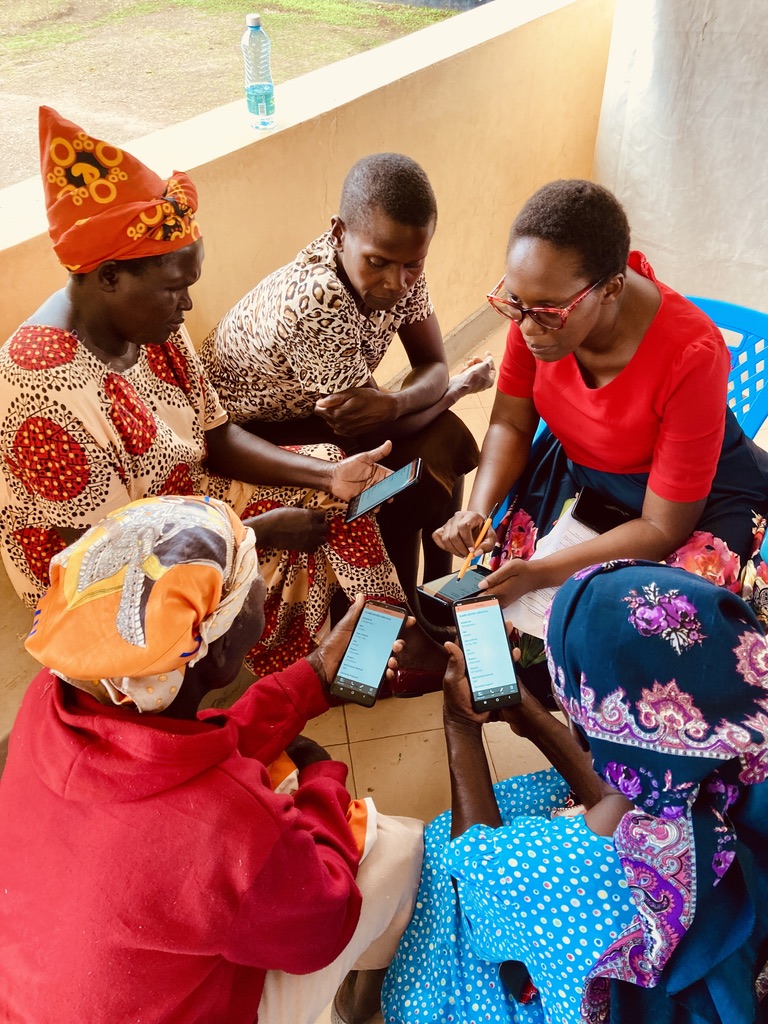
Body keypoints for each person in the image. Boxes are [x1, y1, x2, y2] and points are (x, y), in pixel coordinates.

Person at [0, 106, 445, 688]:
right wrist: (253, 535)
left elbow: (216, 434)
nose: (188, 307)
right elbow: (101, 566)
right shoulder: (40, 385)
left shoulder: (150, 324)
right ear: (108, 276)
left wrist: (321, 479)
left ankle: (373, 650)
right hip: (116, 577)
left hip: (191, 505)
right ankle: (312, 673)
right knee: (304, 519)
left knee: (340, 480)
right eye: (174, 289)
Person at [0, 494, 424, 1024]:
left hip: (41, 994)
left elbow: (168, 753)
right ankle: (355, 1009)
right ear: (218, 652)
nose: (262, 587)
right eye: (252, 585)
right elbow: (321, 924)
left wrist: (310, 679)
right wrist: (323, 780)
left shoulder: (57, 696)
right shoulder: (226, 820)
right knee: (399, 846)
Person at [382, 560, 768, 1023]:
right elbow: (619, 800)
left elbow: (476, 867)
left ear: (588, 727)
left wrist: (460, 725)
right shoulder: (742, 762)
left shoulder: (563, 868)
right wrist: (530, 717)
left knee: (441, 860)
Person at [434, 179, 768, 621]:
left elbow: (662, 526)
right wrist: (477, 512)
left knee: (650, 630)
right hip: (583, 469)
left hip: (689, 501)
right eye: (515, 303)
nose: (526, 328)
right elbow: (510, 424)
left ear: (610, 289)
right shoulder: (535, 310)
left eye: (549, 312)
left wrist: (541, 572)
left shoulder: (692, 355)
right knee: (499, 616)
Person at [198, 152, 495, 608]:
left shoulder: (400, 262)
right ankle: (399, 607)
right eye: (378, 262)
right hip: (251, 429)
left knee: (444, 434)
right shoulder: (318, 301)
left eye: (413, 264)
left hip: (320, 408)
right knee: (392, 482)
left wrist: (400, 402)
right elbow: (389, 427)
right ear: (339, 234)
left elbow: (432, 362)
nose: (398, 282)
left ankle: (439, 583)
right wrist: (451, 390)